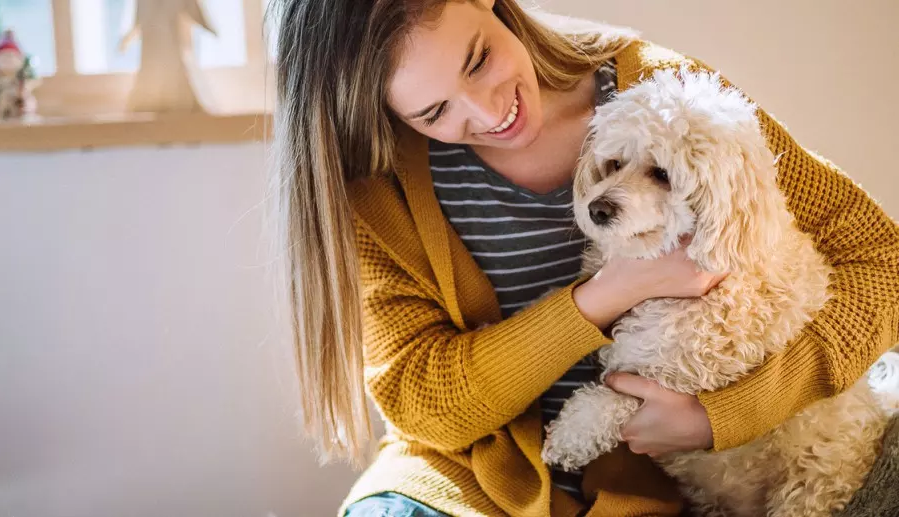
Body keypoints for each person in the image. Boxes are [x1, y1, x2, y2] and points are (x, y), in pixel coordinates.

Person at [265, 0, 899, 515]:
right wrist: (607, 294)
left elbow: (882, 260)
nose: (489, 112)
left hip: (647, 483)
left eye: (479, 59)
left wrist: (725, 416)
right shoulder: (378, 186)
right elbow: (425, 403)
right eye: (434, 111)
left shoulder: (670, 100)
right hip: (465, 476)